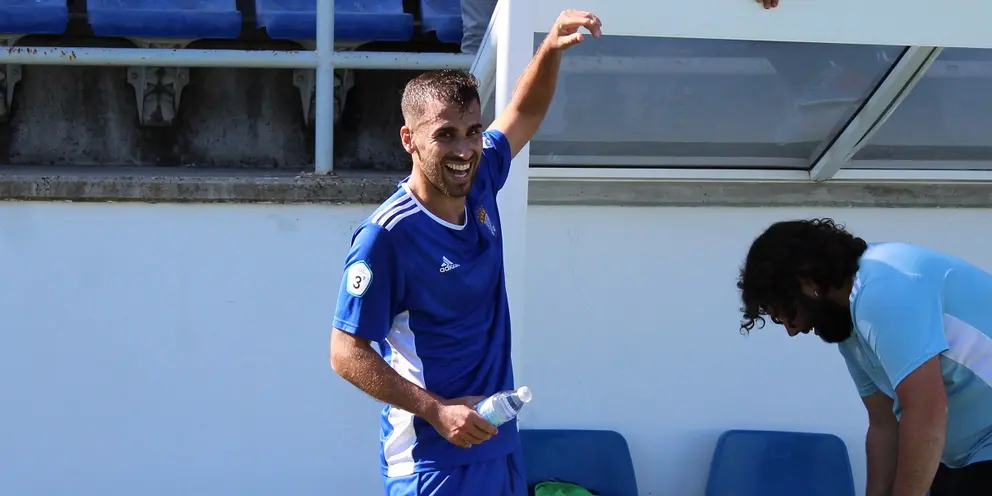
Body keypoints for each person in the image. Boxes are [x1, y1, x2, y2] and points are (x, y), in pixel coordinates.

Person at [328, 9, 603, 496]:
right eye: (445, 135)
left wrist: (552, 49)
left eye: (473, 131)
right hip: (432, 463)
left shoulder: (479, 182)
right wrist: (436, 410)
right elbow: (346, 352)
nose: (464, 149)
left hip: (497, 447)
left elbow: (524, 112)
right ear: (409, 140)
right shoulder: (385, 237)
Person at [737, 218, 992, 496]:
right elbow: (884, 426)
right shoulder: (849, 327)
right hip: (964, 456)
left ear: (807, 283)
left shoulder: (883, 288)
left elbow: (925, 411)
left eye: (785, 312)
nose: (790, 330)